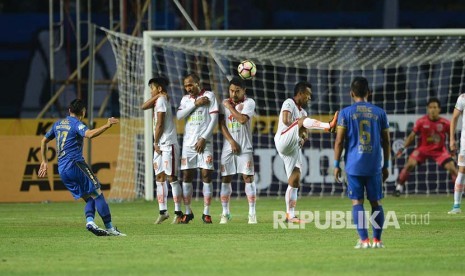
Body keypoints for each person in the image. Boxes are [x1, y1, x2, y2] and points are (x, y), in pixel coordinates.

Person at [38, 99, 126, 236]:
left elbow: (44, 140)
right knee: (97, 193)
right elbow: (89, 134)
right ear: (83, 112)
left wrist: (44, 161)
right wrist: (107, 125)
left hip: (62, 169)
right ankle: (110, 229)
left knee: (89, 198)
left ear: (69, 110)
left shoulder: (58, 124)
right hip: (75, 164)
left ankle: (90, 222)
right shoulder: (76, 124)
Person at [333, 77, 390, 249]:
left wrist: (336, 164)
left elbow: (339, 141)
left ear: (351, 94)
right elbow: (386, 141)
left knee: (357, 202)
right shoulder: (380, 113)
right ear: (369, 93)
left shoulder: (346, 113)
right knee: (376, 202)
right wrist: (386, 165)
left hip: (353, 166)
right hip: (374, 165)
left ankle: (364, 240)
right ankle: (377, 241)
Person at [274, 81, 338, 223]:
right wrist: (299, 124)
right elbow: (285, 121)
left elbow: (305, 135)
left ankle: (290, 216)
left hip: (294, 145)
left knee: (295, 178)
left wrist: (303, 138)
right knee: (302, 120)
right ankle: (328, 126)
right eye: (308, 95)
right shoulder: (289, 102)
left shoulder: (304, 112)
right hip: (283, 139)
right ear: (301, 93)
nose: (309, 98)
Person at [176, 74, 219, 224]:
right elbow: (179, 116)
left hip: (205, 143)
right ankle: (188, 212)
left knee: (206, 175)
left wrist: (204, 138)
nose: (188, 88)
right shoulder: (185, 100)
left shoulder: (209, 96)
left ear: (197, 83)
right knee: (187, 176)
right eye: (186, 86)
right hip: (188, 145)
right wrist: (195, 104)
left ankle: (206, 212)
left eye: (190, 85)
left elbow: (214, 119)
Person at [394, 98, 457, 197]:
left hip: (440, 151)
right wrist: (402, 148)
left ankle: (460, 190)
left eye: (435, 107)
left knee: (452, 168)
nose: (432, 110)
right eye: (430, 107)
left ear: (439, 109)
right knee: (409, 164)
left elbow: (452, 138)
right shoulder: (421, 121)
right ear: (427, 109)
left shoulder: (445, 123)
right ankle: (398, 187)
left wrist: (452, 151)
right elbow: (411, 136)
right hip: (423, 149)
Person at [141, 76, 183, 224]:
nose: (150, 92)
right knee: (159, 177)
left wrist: (155, 142)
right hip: (159, 144)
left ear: (159, 88)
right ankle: (163, 211)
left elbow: (159, 124)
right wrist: (158, 94)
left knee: (171, 177)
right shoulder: (159, 99)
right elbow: (143, 106)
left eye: (152, 88)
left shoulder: (161, 102)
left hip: (167, 143)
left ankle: (178, 213)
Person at [219, 77, 257, 224]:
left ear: (244, 91)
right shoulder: (225, 103)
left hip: (245, 146)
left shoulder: (249, 103)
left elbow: (242, 120)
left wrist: (229, 107)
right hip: (229, 146)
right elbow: (221, 125)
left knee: (248, 178)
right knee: (225, 178)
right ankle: (225, 213)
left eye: (237, 91)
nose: (233, 94)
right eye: (231, 91)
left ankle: (252, 213)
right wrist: (231, 141)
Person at [448, 94, 465, 214]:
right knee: (462, 170)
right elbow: (454, 118)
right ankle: (456, 206)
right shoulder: (463, 98)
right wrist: (452, 139)